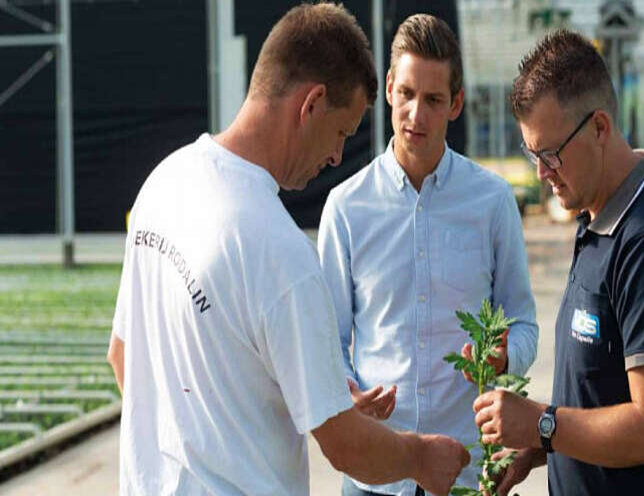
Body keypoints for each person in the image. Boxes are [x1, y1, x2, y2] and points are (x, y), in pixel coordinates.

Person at [106, 4, 469, 496]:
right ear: (312, 103)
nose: (337, 156)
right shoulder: (280, 249)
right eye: (341, 132)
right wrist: (422, 456)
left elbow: (123, 356)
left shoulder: (164, 182)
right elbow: (345, 447)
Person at [472, 30, 644, 496]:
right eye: (532, 154)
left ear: (600, 127)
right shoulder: (595, 217)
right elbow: (598, 392)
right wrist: (536, 447)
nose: (541, 173)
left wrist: (544, 425)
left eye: (550, 154)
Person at [318, 14, 538, 495]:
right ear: (390, 88)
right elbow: (327, 340)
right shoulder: (347, 207)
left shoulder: (493, 203)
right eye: (407, 94)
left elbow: (523, 322)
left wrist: (504, 358)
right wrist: (348, 391)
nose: (416, 114)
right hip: (372, 473)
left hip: (465, 472)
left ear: (456, 103)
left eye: (434, 100)